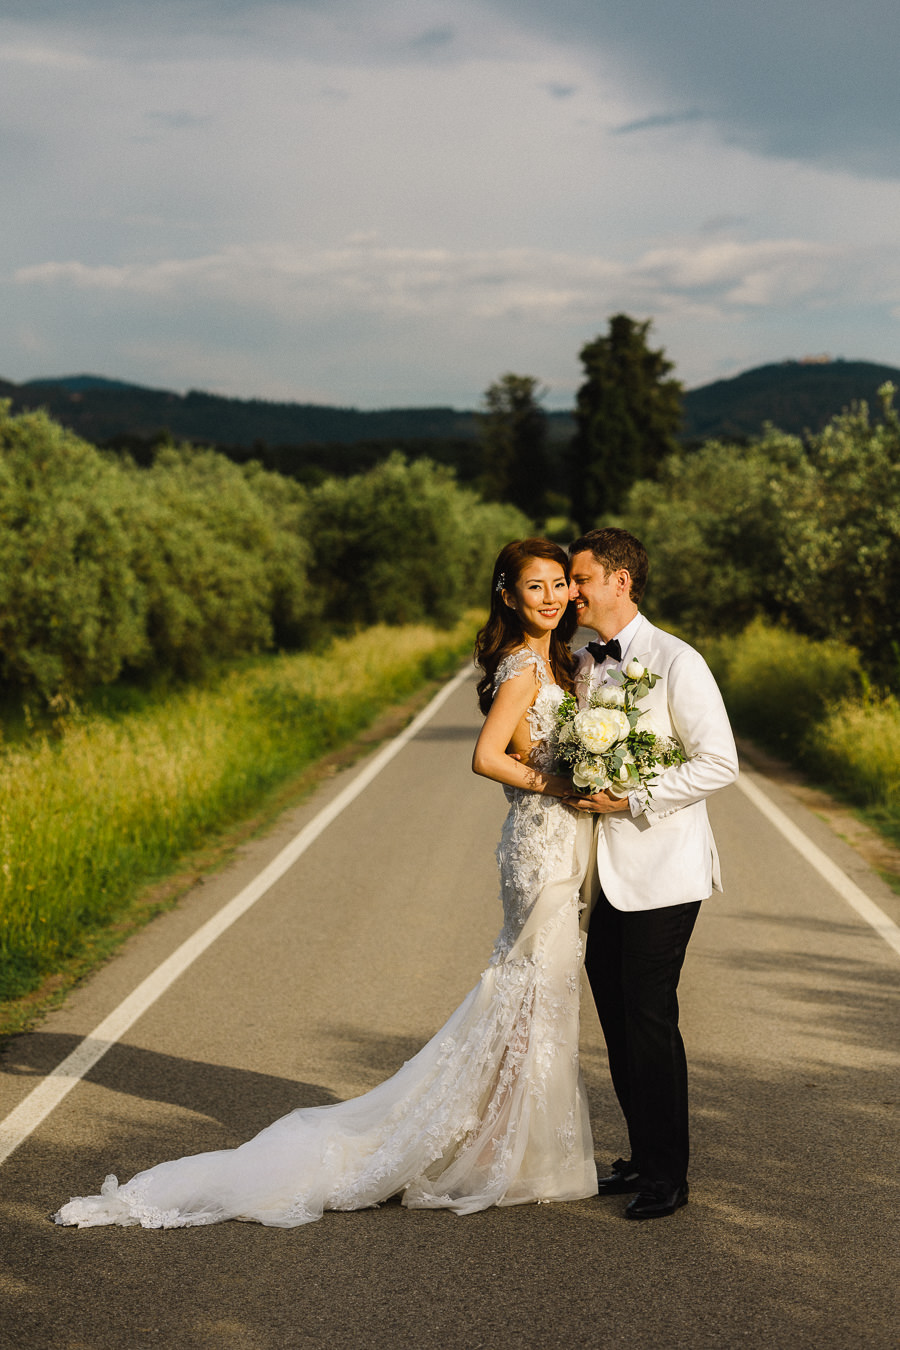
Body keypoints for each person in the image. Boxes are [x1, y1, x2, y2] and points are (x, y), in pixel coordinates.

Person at [53, 537, 598, 1229]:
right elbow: (487, 756)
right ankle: (497, 1148)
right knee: (530, 987)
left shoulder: (556, 662)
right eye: (535, 587)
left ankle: (504, 1141)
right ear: (508, 596)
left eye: (558, 585)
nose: (550, 598)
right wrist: (555, 782)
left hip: (549, 842)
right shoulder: (523, 666)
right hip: (538, 845)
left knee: (533, 992)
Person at [566, 527, 738, 1221]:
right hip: (602, 874)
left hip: (665, 871)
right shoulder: (585, 662)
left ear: (620, 581)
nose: (572, 592)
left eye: (581, 579)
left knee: (649, 1018)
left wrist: (633, 798)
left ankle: (669, 1176)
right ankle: (640, 1156)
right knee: (615, 1017)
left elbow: (719, 762)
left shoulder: (677, 661)